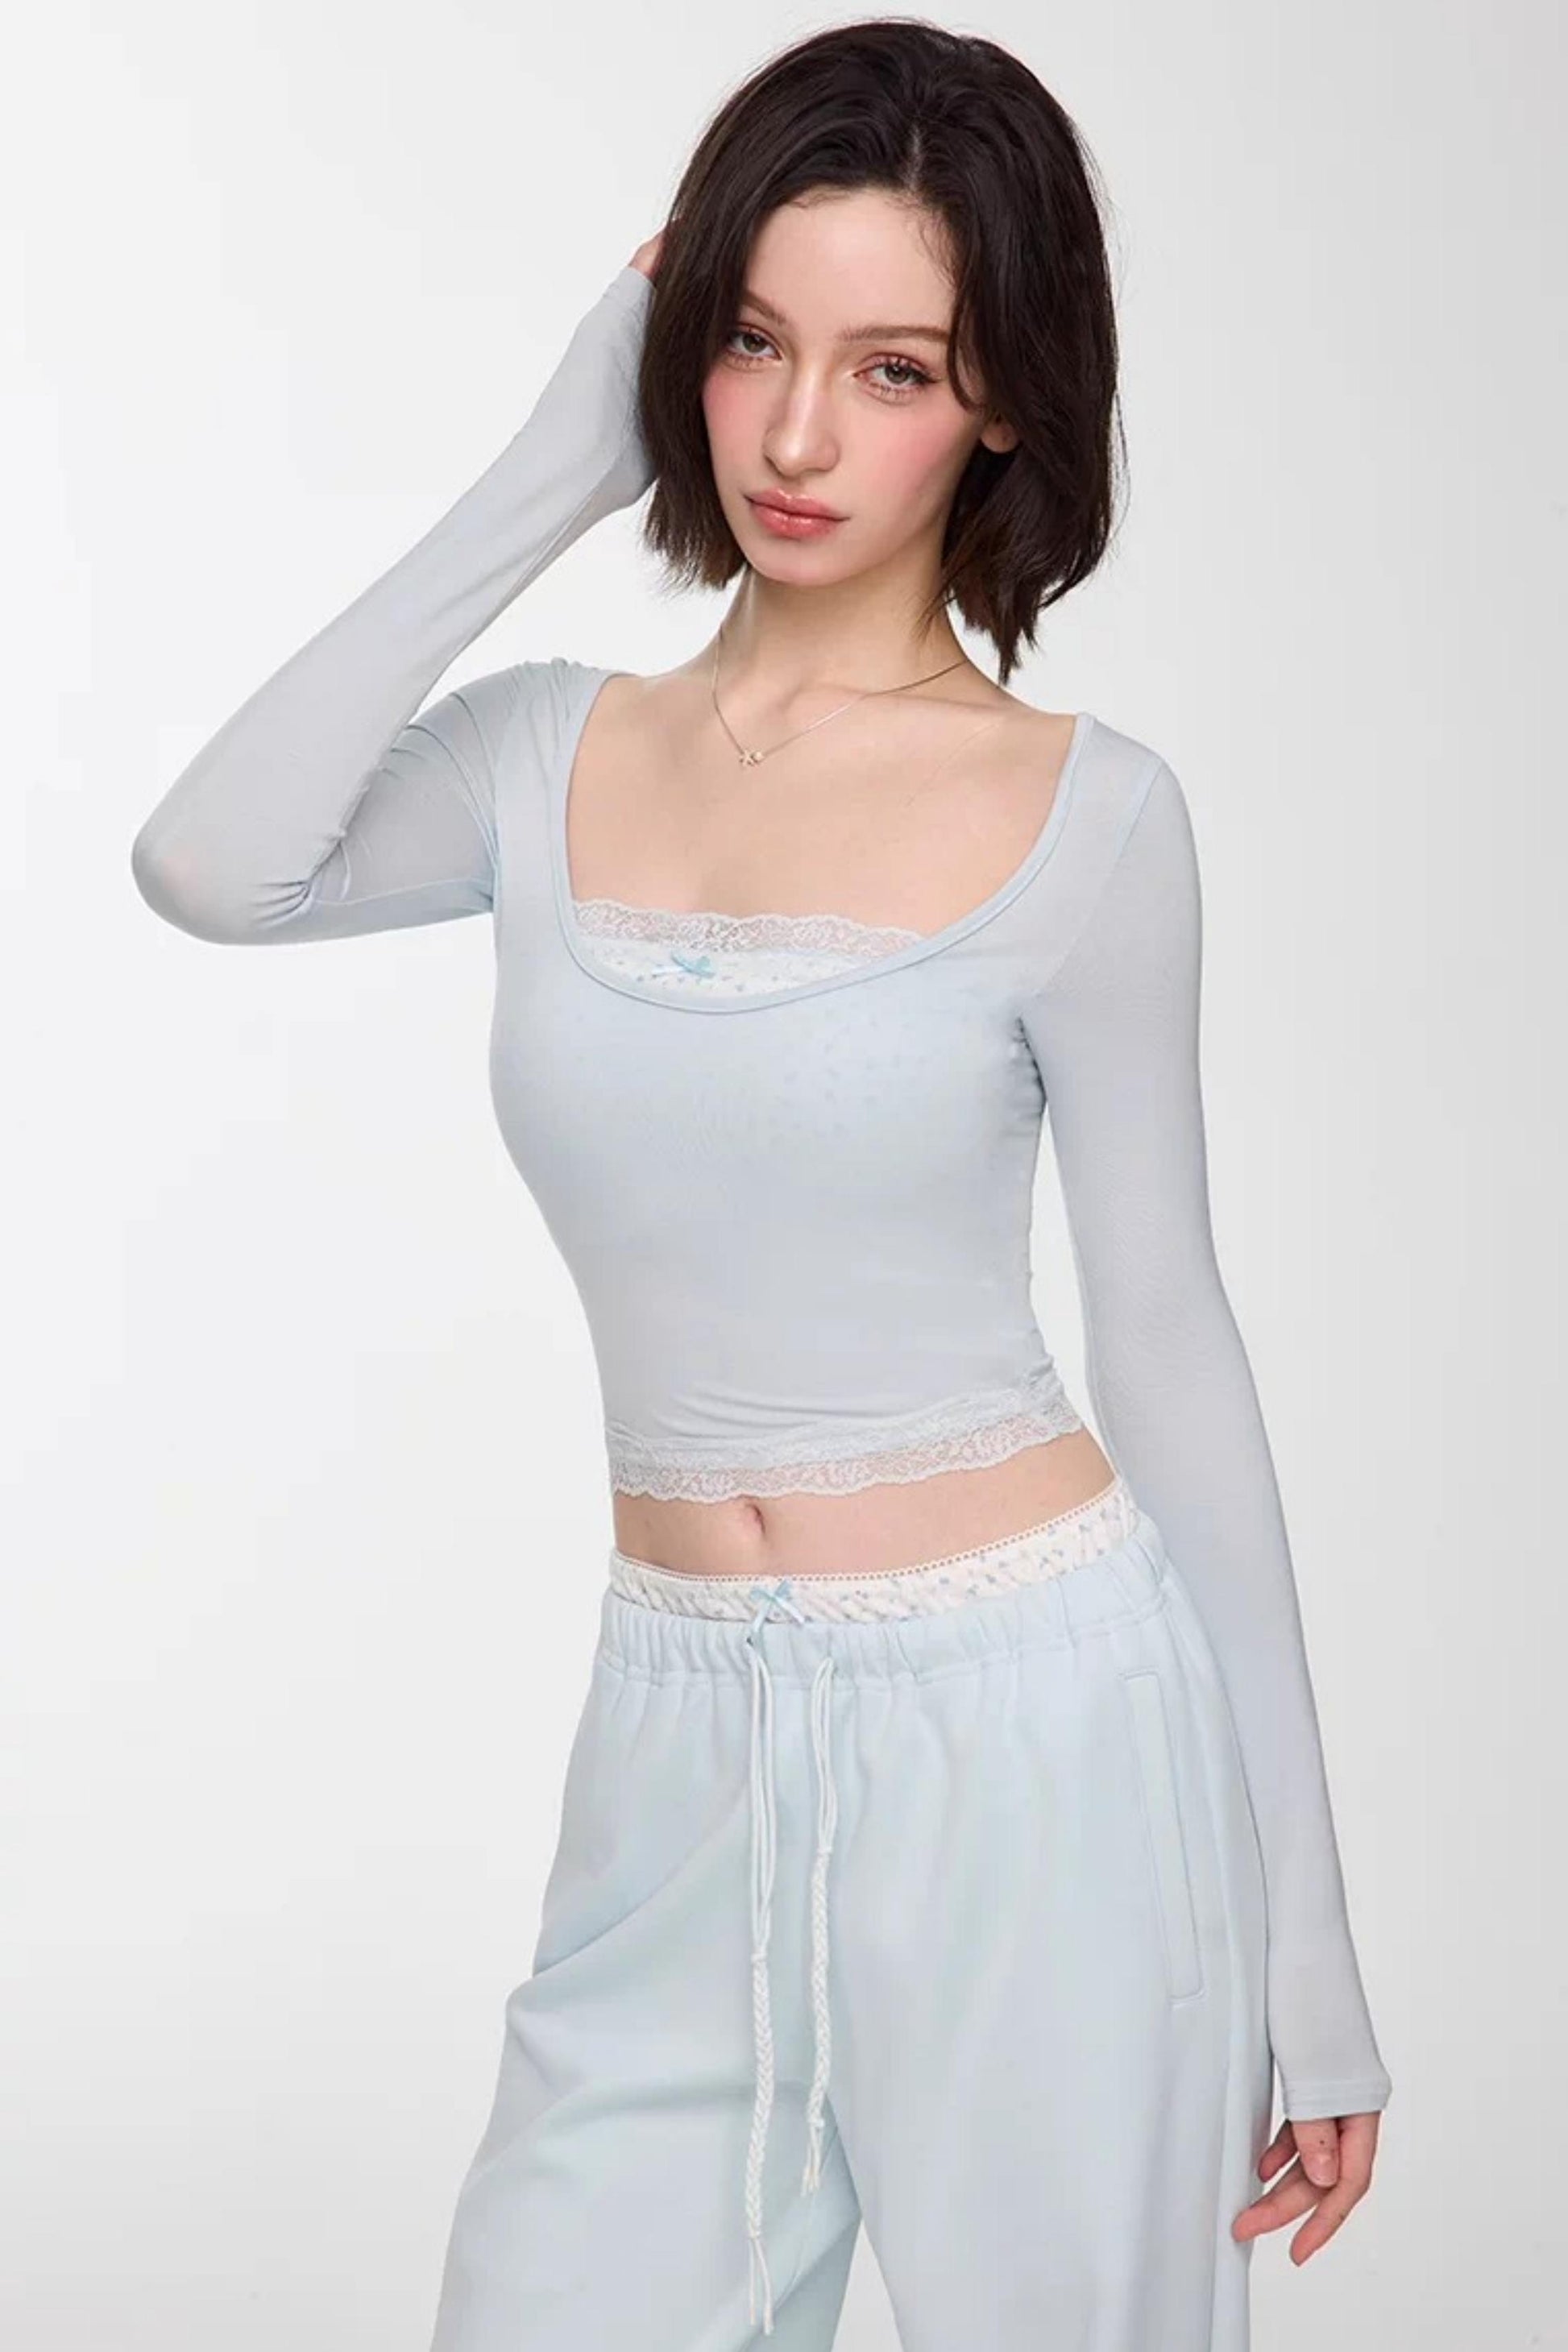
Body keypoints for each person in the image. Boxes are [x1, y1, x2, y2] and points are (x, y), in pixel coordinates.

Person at [129, 20, 1392, 2350]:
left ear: (1001, 401)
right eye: (746, 342)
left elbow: (1172, 1351)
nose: (797, 437)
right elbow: (213, 865)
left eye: (892, 368)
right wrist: (549, 465)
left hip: (1040, 1738)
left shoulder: (1092, 818)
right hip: (674, 1736)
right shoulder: (540, 758)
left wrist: (1304, 1946)